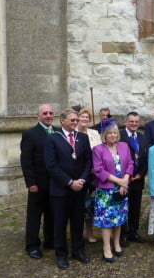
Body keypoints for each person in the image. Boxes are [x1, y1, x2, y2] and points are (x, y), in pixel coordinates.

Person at [44, 108, 92, 269]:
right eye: (72, 120)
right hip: (61, 190)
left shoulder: (83, 138)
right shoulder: (53, 139)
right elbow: (51, 166)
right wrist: (70, 182)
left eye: (76, 120)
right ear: (62, 121)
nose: (75, 122)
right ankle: (61, 255)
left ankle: (78, 251)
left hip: (79, 189)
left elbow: (88, 162)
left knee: (78, 222)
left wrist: (82, 180)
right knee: (60, 223)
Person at [92, 124, 133, 262]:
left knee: (119, 218)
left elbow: (130, 164)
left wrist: (125, 180)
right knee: (107, 220)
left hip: (122, 188)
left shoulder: (124, 146)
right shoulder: (98, 149)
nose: (113, 135)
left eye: (115, 133)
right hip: (106, 190)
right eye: (110, 133)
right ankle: (106, 247)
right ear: (104, 135)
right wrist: (119, 181)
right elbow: (98, 170)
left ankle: (116, 244)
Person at [20, 104, 56, 259]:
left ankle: (50, 240)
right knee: (34, 215)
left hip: (55, 183)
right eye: (45, 113)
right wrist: (31, 183)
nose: (48, 115)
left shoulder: (58, 132)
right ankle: (32, 245)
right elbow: (26, 161)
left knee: (52, 213)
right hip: (38, 183)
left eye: (50, 113)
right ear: (38, 115)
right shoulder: (30, 134)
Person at [119, 111, 147, 245]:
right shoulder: (119, 135)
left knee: (135, 207)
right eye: (131, 121)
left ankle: (133, 232)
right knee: (123, 207)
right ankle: (122, 234)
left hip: (138, 179)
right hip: (123, 179)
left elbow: (145, 158)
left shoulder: (142, 137)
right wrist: (126, 176)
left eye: (136, 121)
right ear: (126, 122)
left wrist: (141, 174)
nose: (134, 124)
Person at [76, 107, 102, 244]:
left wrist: (95, 167)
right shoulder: (73, 133)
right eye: (82, 117)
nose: (85, 119)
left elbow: (99, 152)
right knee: (77, 205)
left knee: (89, 205)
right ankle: (77, 232)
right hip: (78, 174)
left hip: (93, 175)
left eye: (87, 117)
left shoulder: (94, 133)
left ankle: (90, 232)